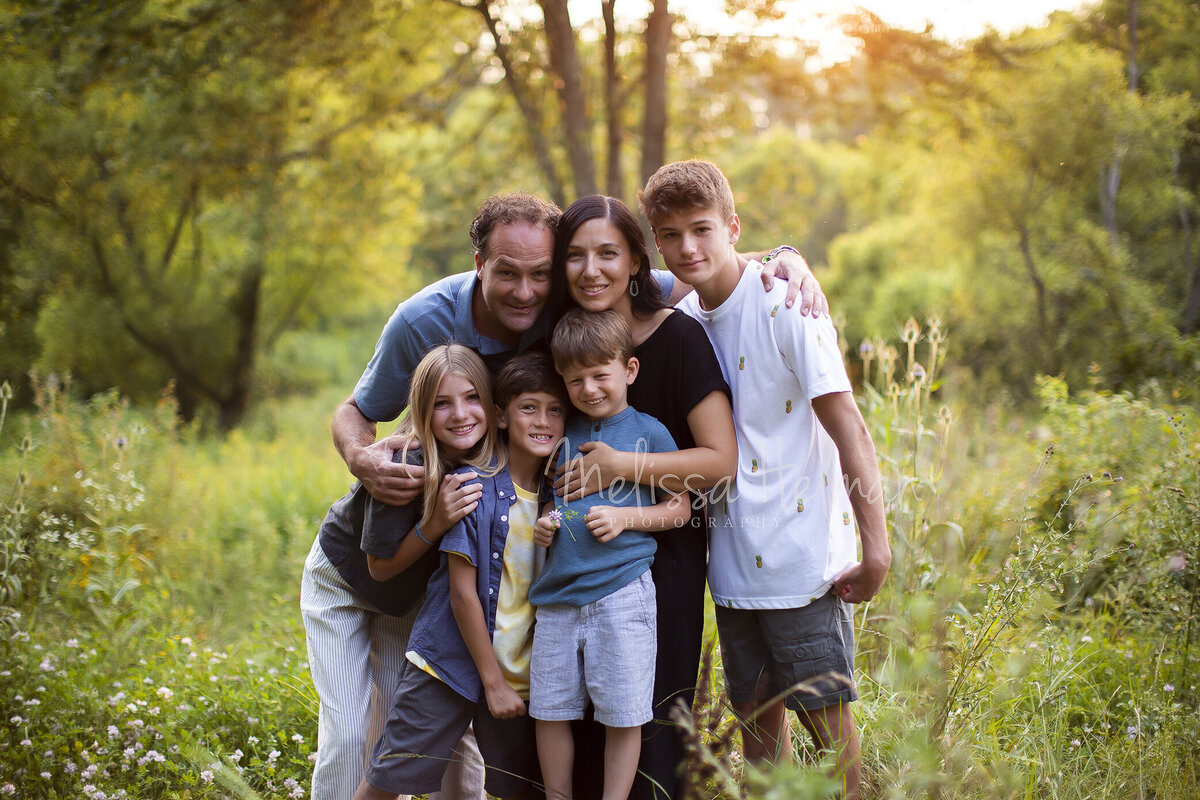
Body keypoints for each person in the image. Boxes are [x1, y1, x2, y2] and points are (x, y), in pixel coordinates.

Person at [639, 160, 891, 799]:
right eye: (670, 235)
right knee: (757, 731)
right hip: (731, 566)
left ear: (732, 225)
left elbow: (849, 429)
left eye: (702, 229)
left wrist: (877, 547)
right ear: (657, 243)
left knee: (828, 727)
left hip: (802, 561)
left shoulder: (788, 304)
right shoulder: (686, 315)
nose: (688, 248)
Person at [331, 193, 827, 509]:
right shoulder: (422, 321)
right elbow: (358, 410)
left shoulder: (581, 293)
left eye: (541, 272)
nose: (526, 292)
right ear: (480, 264)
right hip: (443, 511)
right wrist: (359, 456)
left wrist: (785, 257)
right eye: (507, 273)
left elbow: (711, 267)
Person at [545, 195, 736, 800]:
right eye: (574, 256)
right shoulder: (562, 344)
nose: (591, 270)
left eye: (608, 253)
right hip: (565, 574)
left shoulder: (678, 337)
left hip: (659, 563)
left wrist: (619, 467)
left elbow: (719, 462)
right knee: (564, 724)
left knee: (650, 726)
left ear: (636, 262)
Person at [355, 351, 568, 800]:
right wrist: (490, 681)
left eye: (555, 410)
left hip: (520, 670)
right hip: (448, 663)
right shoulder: (472, 484)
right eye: (529, 407)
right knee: (388, 781)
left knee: (515, 788)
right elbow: (462, 594)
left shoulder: (559, 494)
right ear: (502, 416)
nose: (543, 420)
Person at [301, 343, 495, 800]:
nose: (460, 414)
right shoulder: (406, 463)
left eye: (471, 399)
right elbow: (380, 568)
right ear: (422, 413)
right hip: (344, 584)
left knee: (393, 729)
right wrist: (435, 523)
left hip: (405, 600)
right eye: (442, 404)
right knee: (348, 731)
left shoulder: (489, 462)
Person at [530, 309, 691, 800]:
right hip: (557, 597)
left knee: (624, 710)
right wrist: (544, 526)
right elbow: (549, 501)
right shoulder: (562, 434)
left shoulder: (649, 433)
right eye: (576, 379)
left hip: (623, 593)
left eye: (601, 374)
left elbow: (680, 508)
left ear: (630, 371)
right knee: (550, 708)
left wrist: (625, 518)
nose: (589, 388)